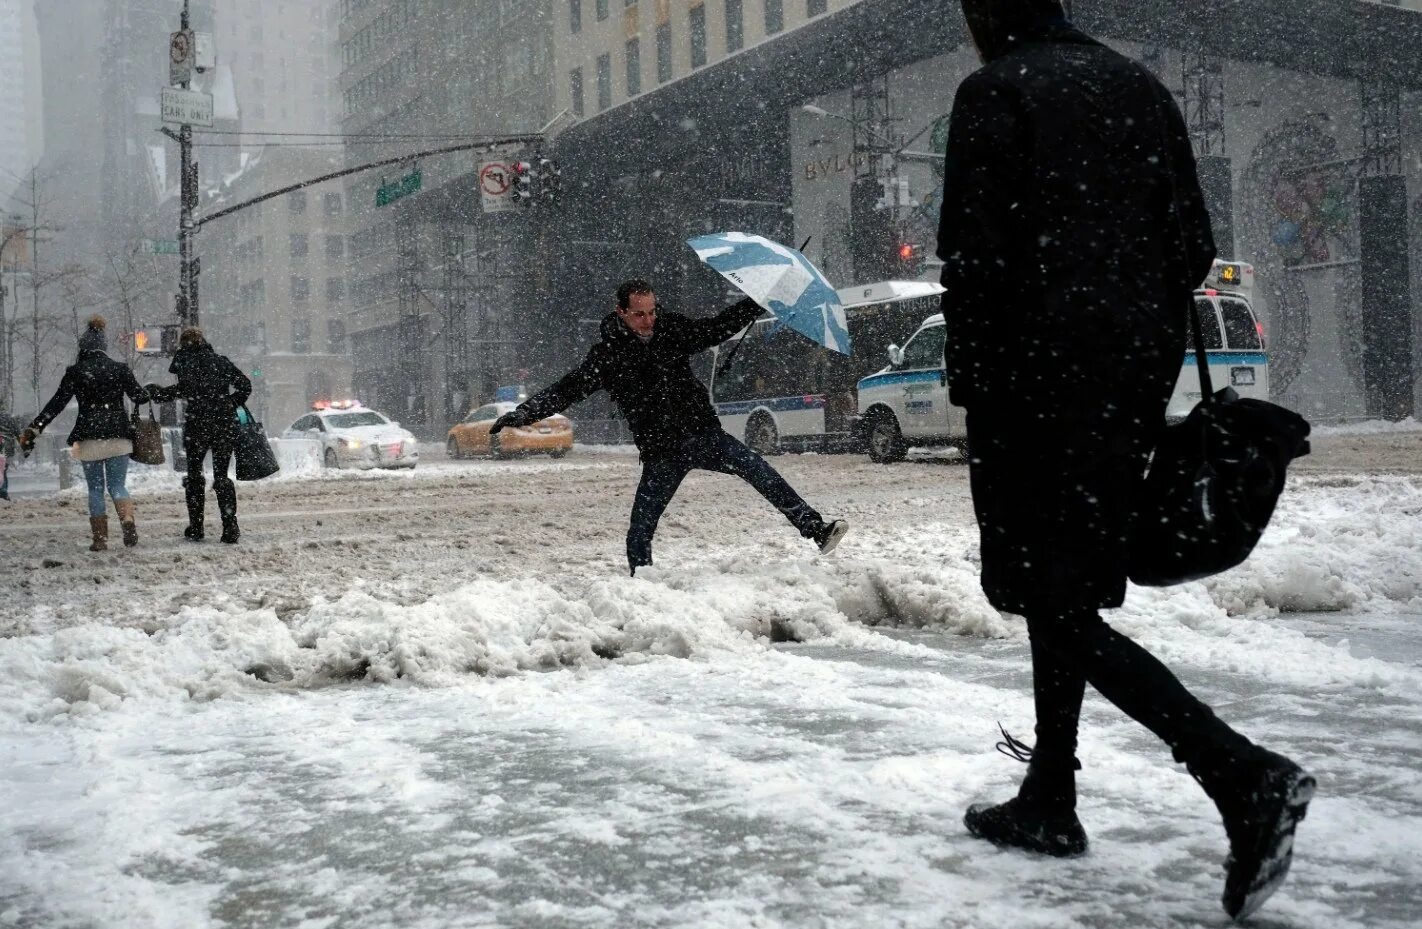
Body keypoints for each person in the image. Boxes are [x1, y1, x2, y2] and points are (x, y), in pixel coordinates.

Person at [937, 1, 1313, 921]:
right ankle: (1050, 796)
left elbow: (975, 259)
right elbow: (1195, 245)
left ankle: (1240, 772)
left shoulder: (994, 92)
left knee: (1046, 592)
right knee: (1066, 585)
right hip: (1126, 379)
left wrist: (978, 383)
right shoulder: (1139, 86)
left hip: (1031, 376)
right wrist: (1122, 312)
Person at [491, 279, 848, 574]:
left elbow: (716, 328)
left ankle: (816, 529)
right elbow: (567, 389)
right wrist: (523, 413)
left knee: (761, 472)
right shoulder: (608, 356)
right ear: (621, 312)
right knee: (641, 526)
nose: (649, 320)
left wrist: (756, 302)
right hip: (661, 451)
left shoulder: (671, 330)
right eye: (640, 314)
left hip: (704, 434)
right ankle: (642, 582)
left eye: (652, 311)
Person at [19, 316, 148, 550]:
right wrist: (150, 392)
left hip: (89, 439)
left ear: (83, 347)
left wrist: (35, 427)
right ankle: (128, 519)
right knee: (117, 486)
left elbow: (57, 404)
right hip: (119, 437)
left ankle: (100, 539)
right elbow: (139, 396)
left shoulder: (76, 372)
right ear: (104, 346)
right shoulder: (119, 369)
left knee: (95, 489)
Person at [146, 327, 251, 544]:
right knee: (222, 476)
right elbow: (245, 385)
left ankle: (196, 526)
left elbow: (182, 390)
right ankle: (230, 526)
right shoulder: (220, 362)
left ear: (184, 345)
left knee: (194, 476)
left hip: (197, 427)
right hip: (222, 425)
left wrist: (158, 392)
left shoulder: (186, 363)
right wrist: (228, 403)